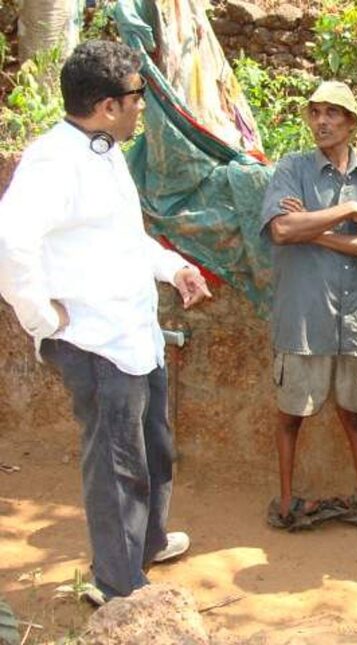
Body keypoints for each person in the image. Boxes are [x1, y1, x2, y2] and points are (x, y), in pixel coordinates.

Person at [0, 41, 212, 604]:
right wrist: (41, 316)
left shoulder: (104, 151)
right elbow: (9, 243)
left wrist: (173, 268)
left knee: (154, 449)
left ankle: (144, 544)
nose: (142, 105)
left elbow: (119, 240)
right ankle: (118, 585)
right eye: (137, 96)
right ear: (106, 105)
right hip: (94, 342)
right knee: (116, 463)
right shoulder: (53, 161)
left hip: (133, 333)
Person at [259, 81, 357, 529]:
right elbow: (280, 230)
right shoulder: (291, 168)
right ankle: (286, 502)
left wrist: (315, 231)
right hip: (303, 318)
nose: (321, 121)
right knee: (290, 415)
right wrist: (347, 212)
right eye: (315, 112)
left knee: (354, 413)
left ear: (351, 122)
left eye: (333, 113)